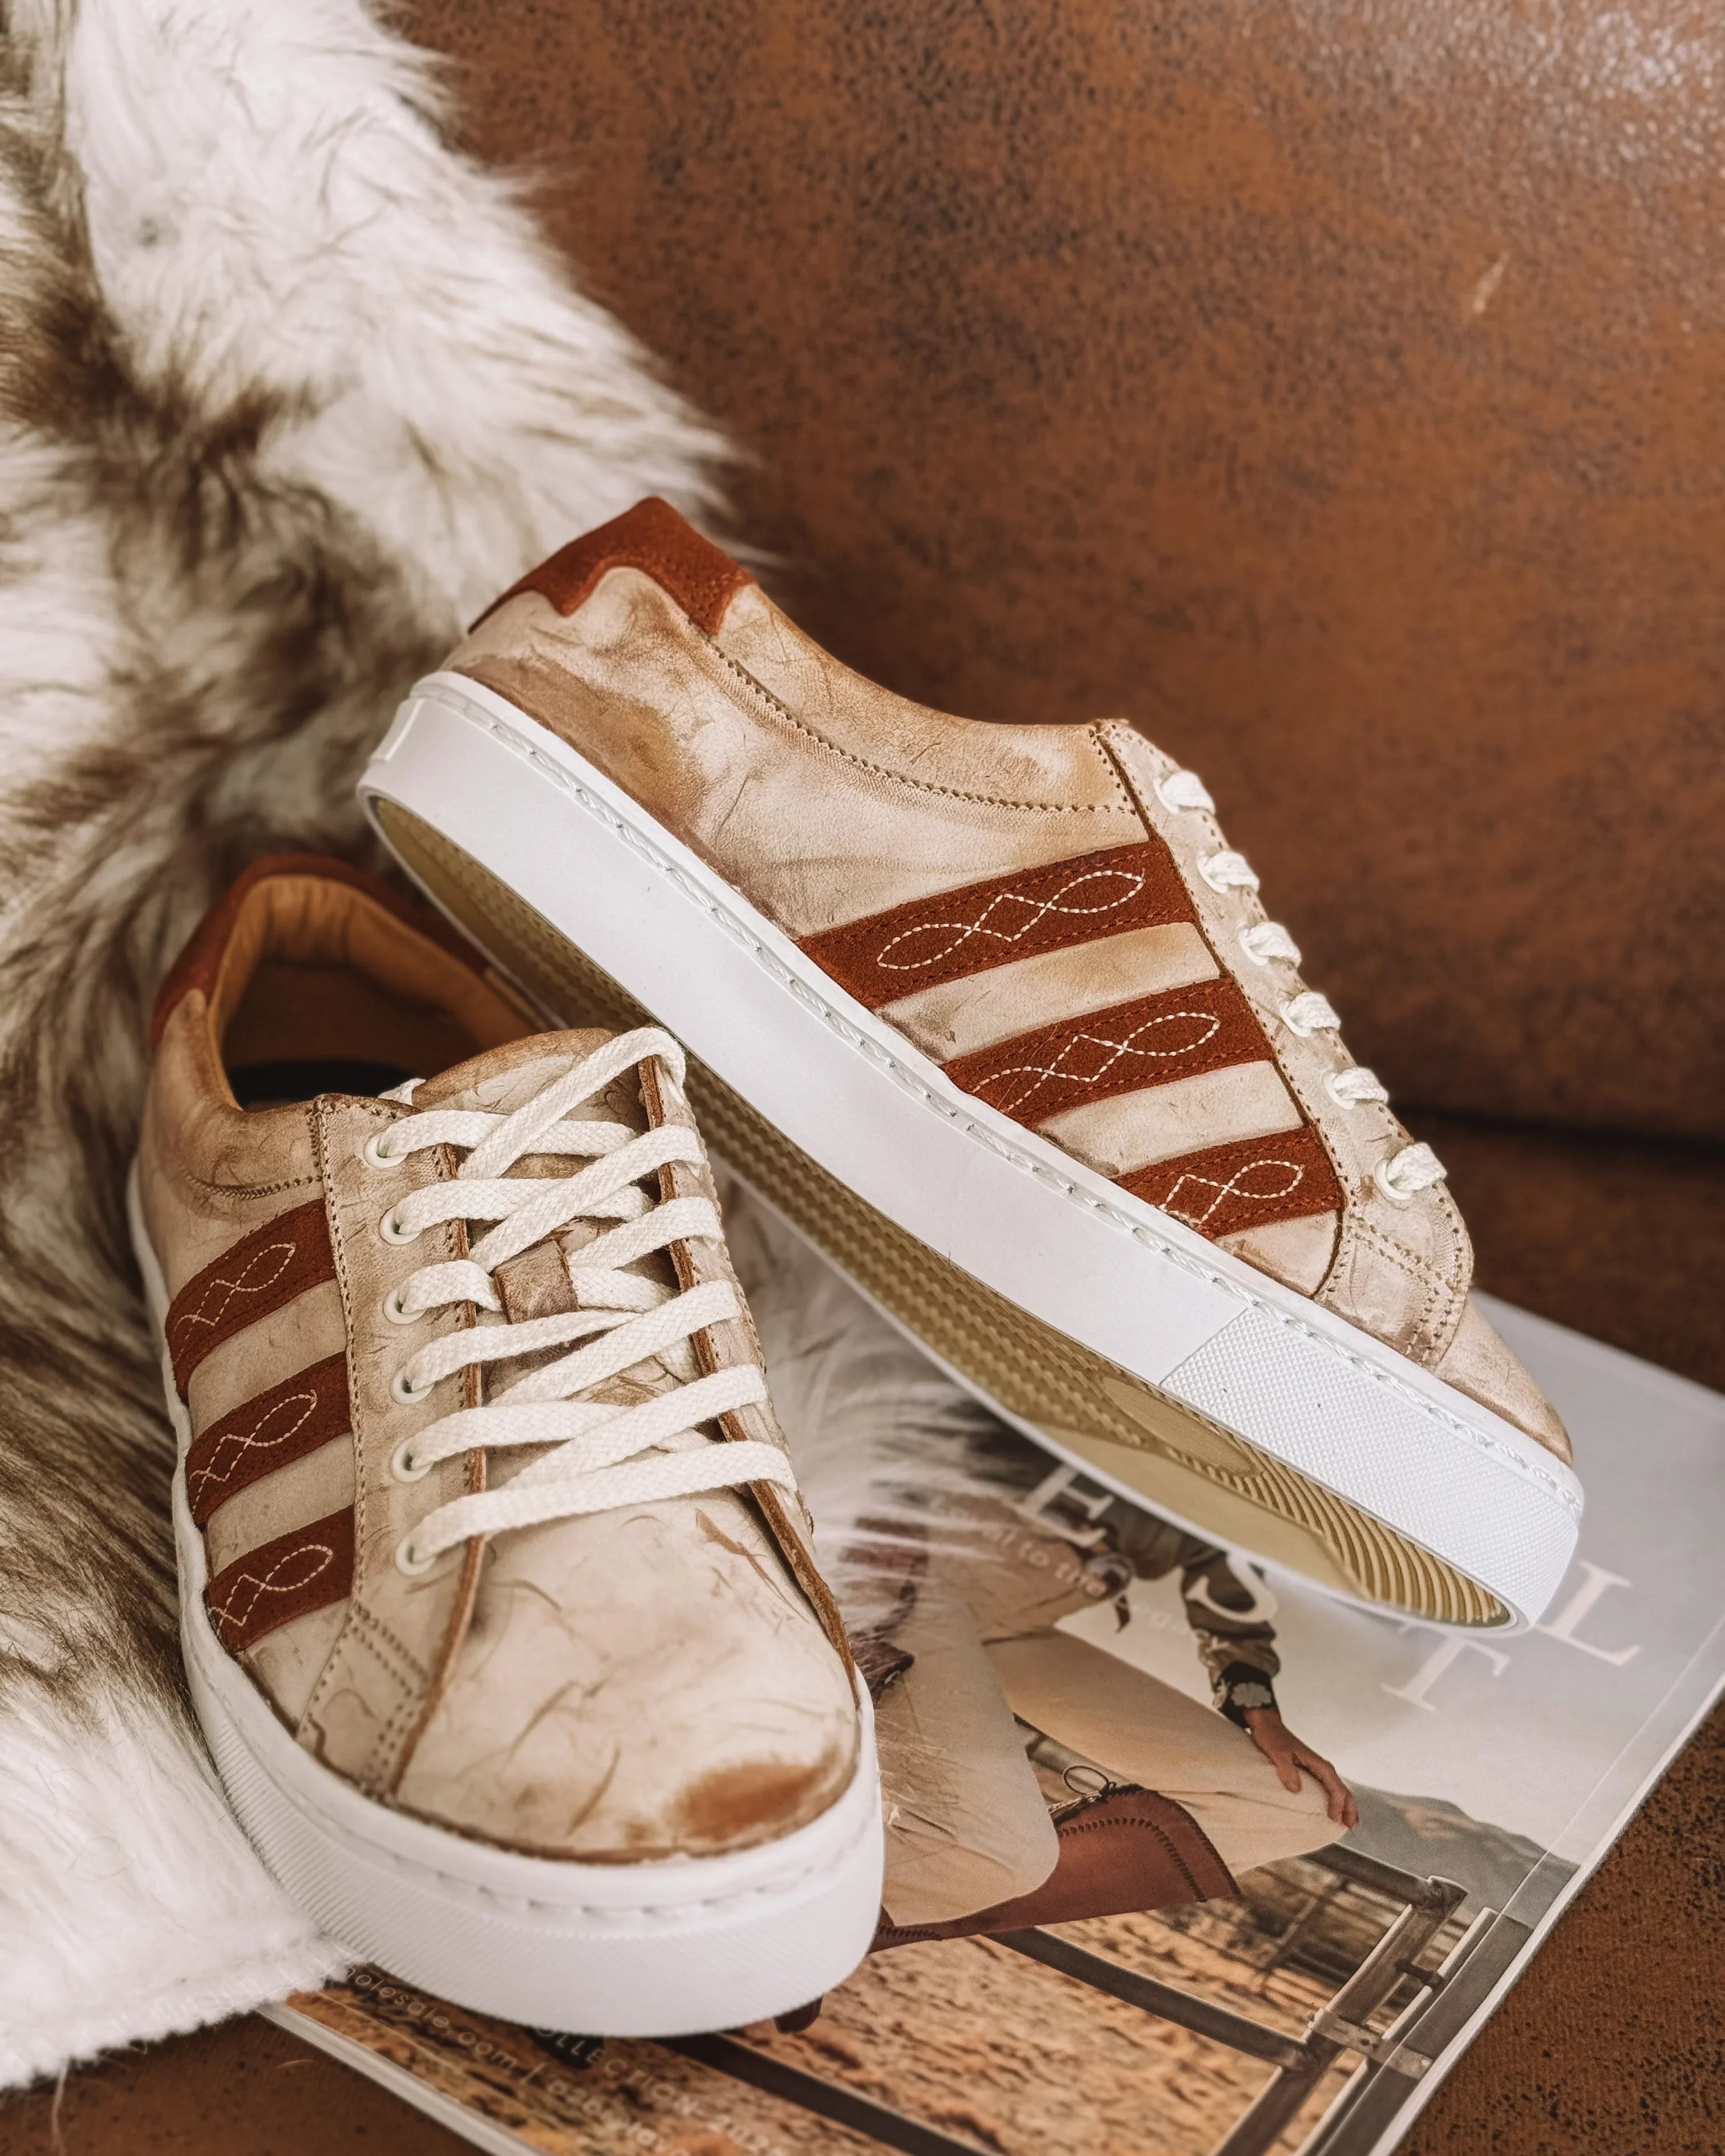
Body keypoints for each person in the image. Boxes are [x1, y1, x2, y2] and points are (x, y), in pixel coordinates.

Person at [867, 1437, 1358, 1932]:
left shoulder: (1252, 1476)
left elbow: (1230, 1592)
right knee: (997, 1853)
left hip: (1013, 1625)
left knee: (1302, 1808)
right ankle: (859, 1910)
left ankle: (917, 1908)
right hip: (917, 1580)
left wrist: (1261, 1714)